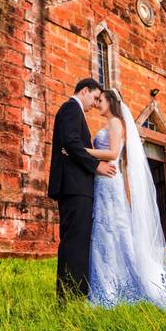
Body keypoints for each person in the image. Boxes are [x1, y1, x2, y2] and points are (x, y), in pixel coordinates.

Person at [83, 88, 166, 312]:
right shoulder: (111, 124)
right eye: (96, 100)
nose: (97, 103)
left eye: (101, 100)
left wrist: (83, 151)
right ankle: (106, 280)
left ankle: (120, 282)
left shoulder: (117, 123)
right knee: (105, 231)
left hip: (110, 181)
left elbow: (112, 153)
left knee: (112, 230)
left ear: (111, 102)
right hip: (103, 181)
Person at [47, 78, 118, 303]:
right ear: (84, 91)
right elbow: (70, 142)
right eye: (95, 98)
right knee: (74, 242)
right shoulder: (70, 108)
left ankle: (74, 293)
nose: (95, 104)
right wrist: (97, 166)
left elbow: (74, 146)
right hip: (74, 187)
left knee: (77, 241)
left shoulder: (75, 112)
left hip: (77, 186)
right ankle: (71, 297)